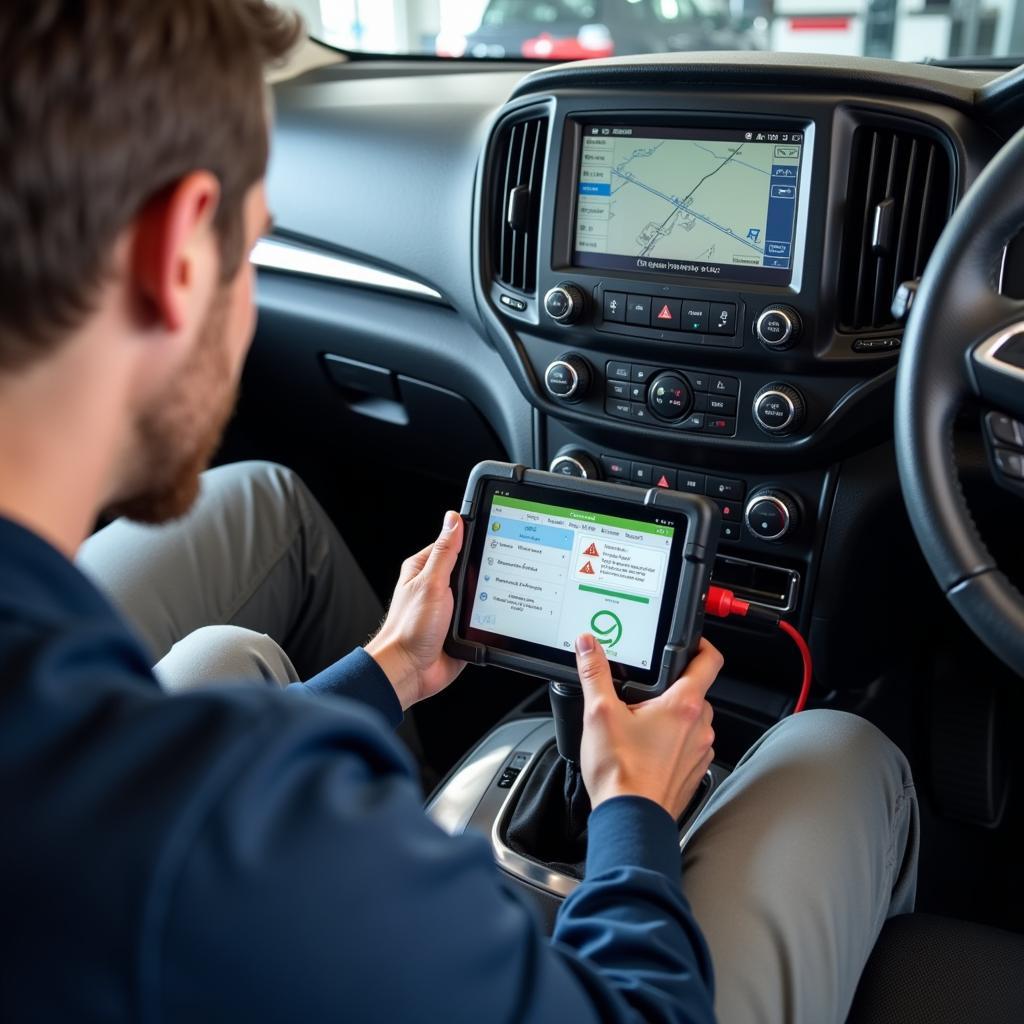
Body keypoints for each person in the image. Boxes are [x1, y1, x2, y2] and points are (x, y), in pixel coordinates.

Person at [0, 3, 918, 1022]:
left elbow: (155, 791)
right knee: (840, 757)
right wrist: (631, 814)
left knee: (222, 646)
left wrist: (389, 670)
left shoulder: (115, 758)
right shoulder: (244, 848)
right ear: (177, 255)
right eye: (252, 249)